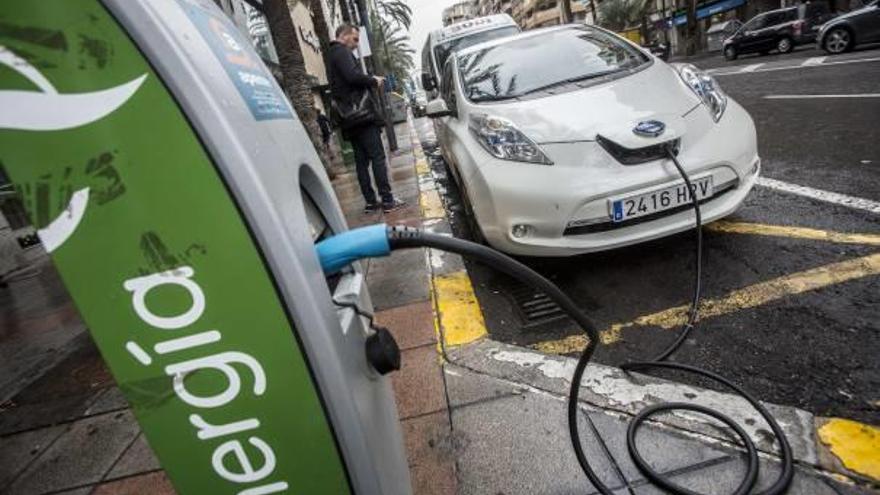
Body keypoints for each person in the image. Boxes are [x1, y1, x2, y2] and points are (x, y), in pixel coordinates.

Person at [327, 23, 405, 214]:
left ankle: (371, 203)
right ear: (344, 36)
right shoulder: (342, 52)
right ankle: (387, 200)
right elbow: (353, 77)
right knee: (377, 157)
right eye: (354, 39)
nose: (356, 44)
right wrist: (373, 80)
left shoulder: (331, 55)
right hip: (361, 116)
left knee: (361, 162)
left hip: (349, 120)